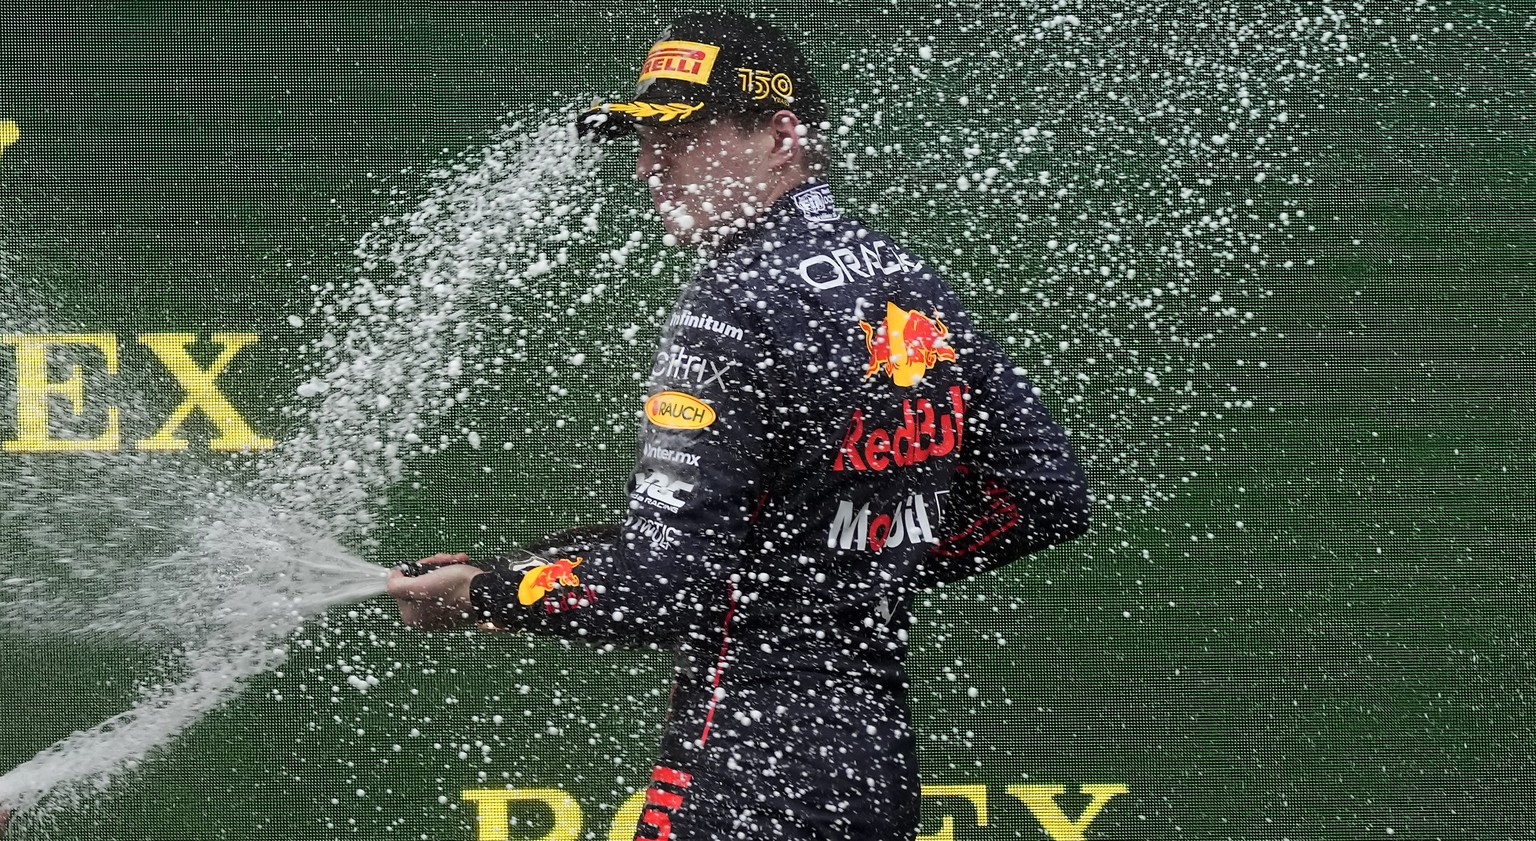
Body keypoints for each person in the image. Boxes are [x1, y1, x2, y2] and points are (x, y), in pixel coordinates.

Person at [388, 12, 1089, 840]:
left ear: (780, 135)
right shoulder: (903, 277)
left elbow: (663, 585)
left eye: (681, 137)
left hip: (742, 767)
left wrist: (480, 595)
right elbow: (1044, 494)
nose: (652, 166)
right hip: (872, 767)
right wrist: (849, 569)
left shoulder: (734, 302)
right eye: (644, 143)